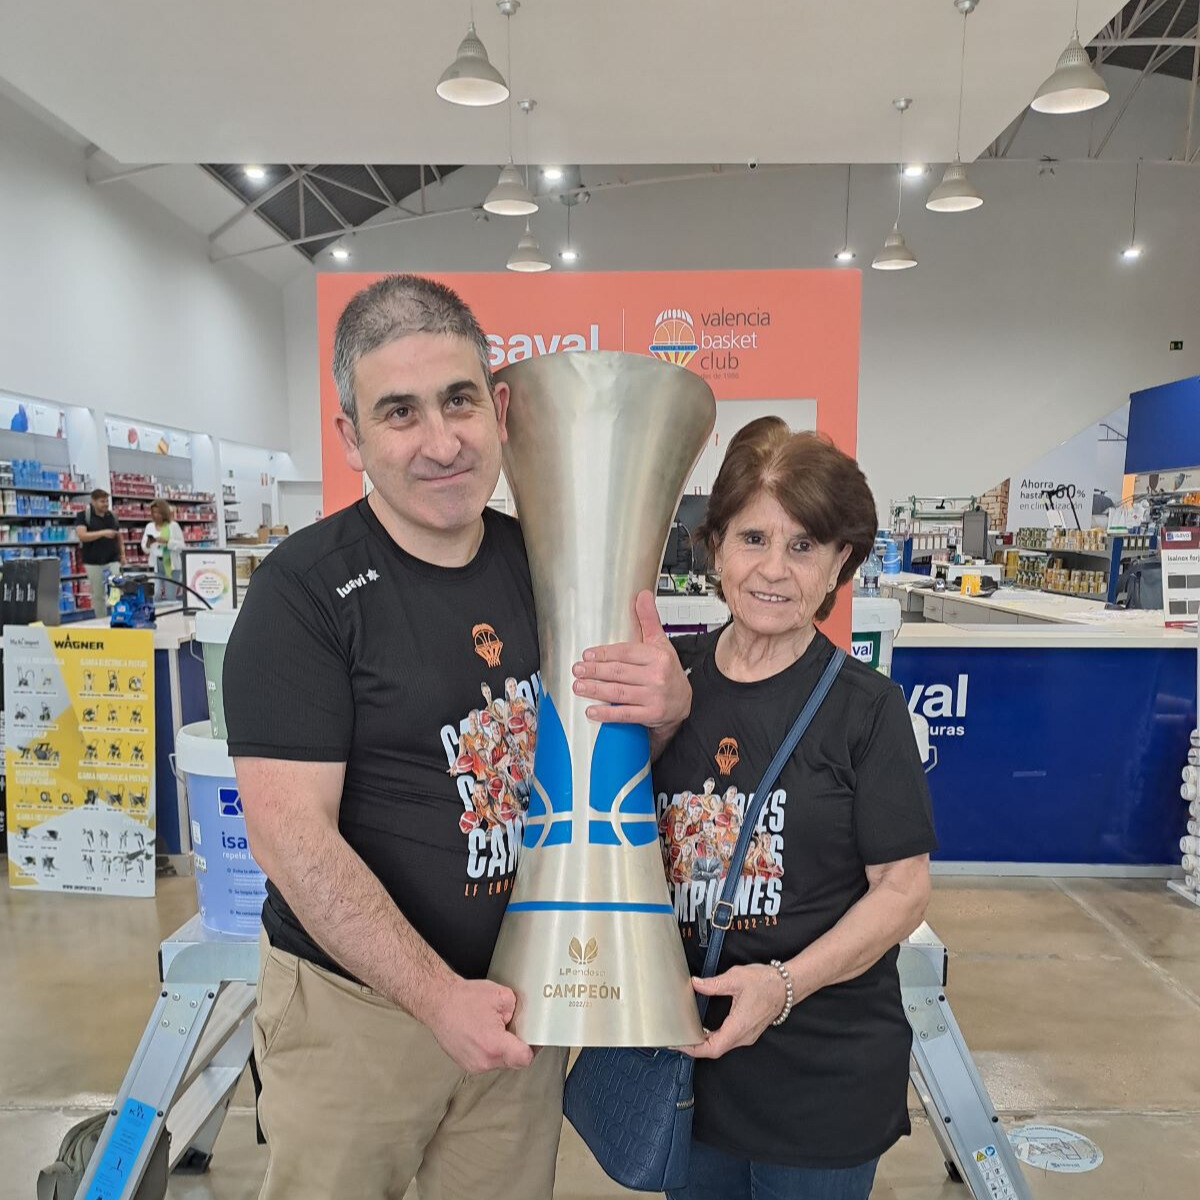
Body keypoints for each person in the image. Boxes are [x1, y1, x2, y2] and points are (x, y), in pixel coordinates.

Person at [222, 273, 692, 1200]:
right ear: (352, 436)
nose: (441, 442)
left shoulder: (551, 560)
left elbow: (605, 776)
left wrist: (664, 712)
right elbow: (290, 836)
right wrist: (438, 999)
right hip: (359, 1021)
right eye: (399, 413)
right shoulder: (304, 593)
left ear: (501, 406)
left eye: (459, 400)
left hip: (518, 1000)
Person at [649, 418, 937, 1200]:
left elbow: (903, 891)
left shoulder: (866, 710)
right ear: (714, 548)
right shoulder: (669, 687)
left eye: (804, 545)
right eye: (752, 539)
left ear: (839, 560)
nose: (774, 570)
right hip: (689, 1072)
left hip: (821, 1081)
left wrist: (782, 985)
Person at [74, 488, 123, 617]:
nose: (106, 504)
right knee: (98, 594)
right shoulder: (84, 516)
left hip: (112, 560)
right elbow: (82, 535)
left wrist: (122, 555)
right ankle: (101, 620)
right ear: (93, 501)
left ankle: (118, 616)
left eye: (107, 501)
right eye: (102, 501)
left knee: (116, 590)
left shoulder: (112, 516)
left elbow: (119, 536)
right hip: (93, 562)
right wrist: (103, 533)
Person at [141, 499, 184, 600]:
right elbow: (145, 549)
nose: (155, 515)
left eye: (158, 512)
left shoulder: (173, 526)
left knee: (170, 595)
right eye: (153, 512)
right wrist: (148, 544)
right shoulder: (149, 527)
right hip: (156, 564)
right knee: (155, 594)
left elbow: (182, 546)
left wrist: (168, 542)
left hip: (171, 565)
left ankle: (173, 614)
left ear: (164, 513)